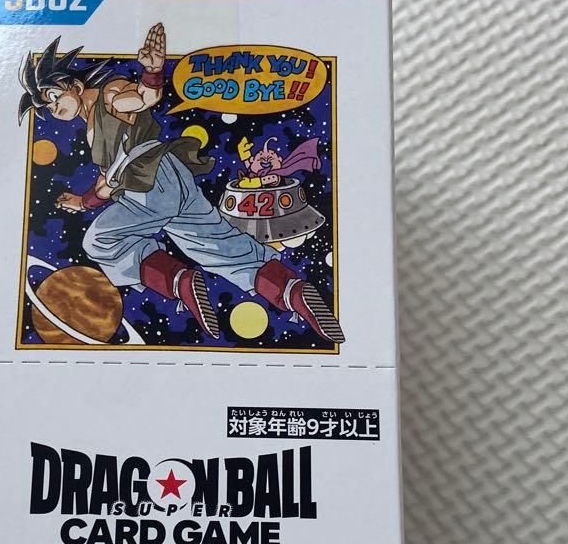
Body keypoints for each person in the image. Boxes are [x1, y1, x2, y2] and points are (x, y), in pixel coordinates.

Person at [18, 25, 344, 343]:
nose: (53, 107)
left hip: (149, 184)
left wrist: (152, 72)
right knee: (219, 247)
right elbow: (108, 182)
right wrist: (82, 202)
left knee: (100, 241)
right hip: (171, 177)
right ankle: (292, 292)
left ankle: (178, 281)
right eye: (46, 107)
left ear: (73, 84)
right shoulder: (93, 122)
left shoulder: (108, 96)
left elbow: (142, 98)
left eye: (52, 96)